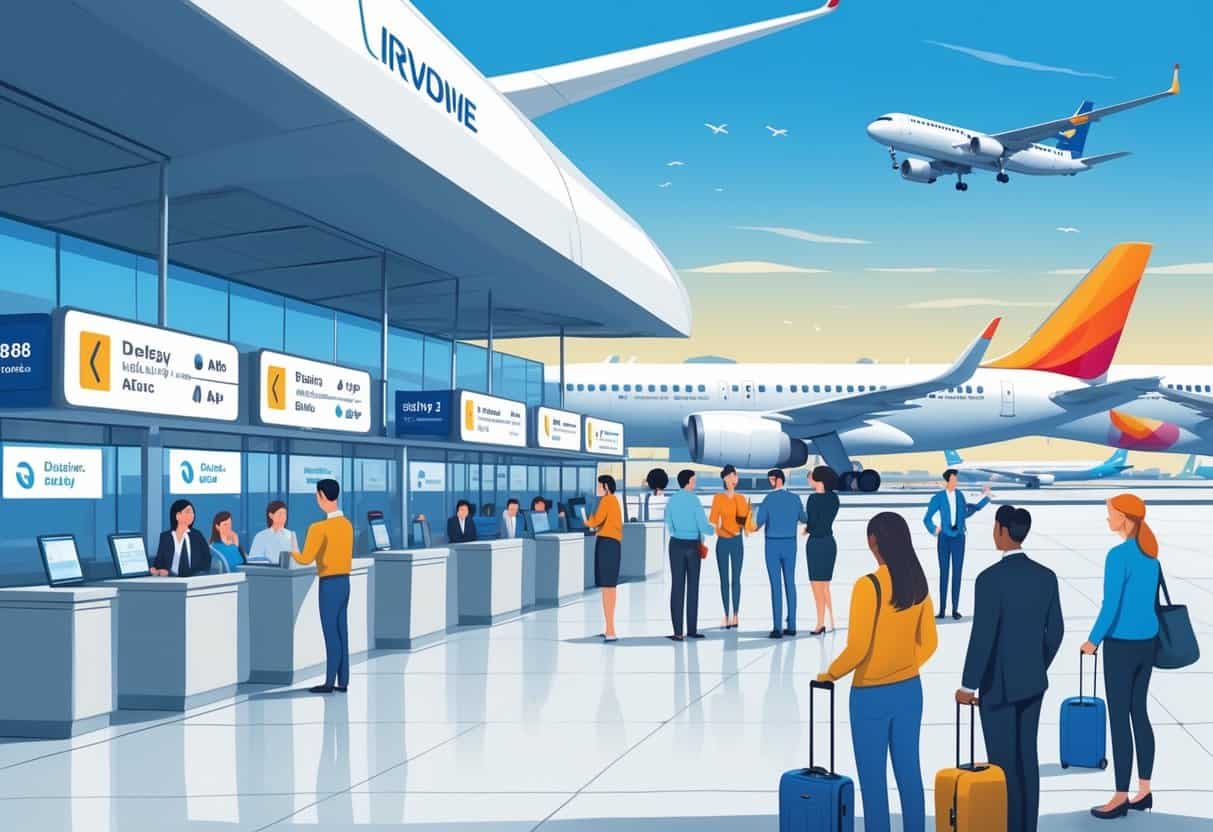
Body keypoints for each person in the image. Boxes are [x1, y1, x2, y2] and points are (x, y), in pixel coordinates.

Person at [818, 512, 937, 832]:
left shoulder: (868, 586)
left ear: (873, 541)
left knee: (873, 782)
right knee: (910, 774)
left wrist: (829, 674)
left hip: (869, 696)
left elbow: (858, 649)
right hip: (910, 691)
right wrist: (904, 664)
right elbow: (930, 643)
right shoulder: (918, 583)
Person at [955, 505, 1063, 832]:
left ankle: (1009, 826)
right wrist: (1036, 664)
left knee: (1002, 763)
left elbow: (983, 636)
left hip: (997, 687)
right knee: (1027, 759)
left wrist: (968, 685)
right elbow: (1055, 631)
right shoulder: (1046, 576)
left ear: (1002, 531)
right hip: (1033, 682)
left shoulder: (990, 579)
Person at [1083, 494, 1161, 820]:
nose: (1107, 519)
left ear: (1125, 518)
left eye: (1110, 513)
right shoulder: (1152, 557)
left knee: (1119, 719)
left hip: (1121, 645)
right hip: (1149, 642)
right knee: (1139, 713)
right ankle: (1144, 791)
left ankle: (1119, 797)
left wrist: (1092, 640)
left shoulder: (1118, 556)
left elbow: (1110, 605)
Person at [292, 479, 355, 694]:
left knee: (330, 634)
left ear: (320, 496)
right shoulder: (347, 525)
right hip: (345, 582)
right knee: (342, 631)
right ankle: (343, 681)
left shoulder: (319, 528)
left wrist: (291, 549)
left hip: (329, 584)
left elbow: (305, 558)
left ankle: (329, 682)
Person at [923, 469, 991, 620]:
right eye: (954, 479)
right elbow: (927, 518)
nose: (956, 482)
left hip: (959, 538)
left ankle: (955, 609)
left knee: (957, 574)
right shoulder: (938, 497)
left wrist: (987, 497)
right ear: (948, 481)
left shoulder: (960, 496)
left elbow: (968, 511)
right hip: (944, 539)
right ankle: (942, 610)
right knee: (944, 574)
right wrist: (935, 530)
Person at [753, 468, 806, 639]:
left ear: (778, 480)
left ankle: (777, 628)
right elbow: (804, 518)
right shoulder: (795, 499)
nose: (770, 482)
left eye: (771, 479)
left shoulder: (768, 500)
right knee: (790, 583)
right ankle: (792, 626)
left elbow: (757, 524)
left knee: (776, 586)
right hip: (790, 543)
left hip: (772, 545)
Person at [664, 469, 714, 641]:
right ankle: (692, 630)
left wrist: (678, 531)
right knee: (693, 587)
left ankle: (678, 632)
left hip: (676, 545)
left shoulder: (672, 500)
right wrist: (714, 529)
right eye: (694, 480)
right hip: (692, 547)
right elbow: (703, 525)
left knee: (677, 587)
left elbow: (668, 522)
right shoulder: (694, 501)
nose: (695, 483)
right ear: (688, 481)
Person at [708, 464, 750, 629]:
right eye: (732, 475)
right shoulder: (718, 498)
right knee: (724, 579)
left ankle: (736, 614)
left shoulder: (741, 498)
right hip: (723, 542)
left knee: (736, 579)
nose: (735, 478)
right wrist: (726, 530)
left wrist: (746, 524)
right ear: (725, 478)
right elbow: (713, 522)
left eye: (736, 476)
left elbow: (745, 521)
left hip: (737, 542)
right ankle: (726, 613)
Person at [585, 475, 624, 642]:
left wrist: (586, 521)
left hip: (606, 545)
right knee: (610, 587)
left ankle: (610, 630)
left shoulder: (607, 501)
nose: (597, 488)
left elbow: (596, 520)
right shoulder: (614, 501)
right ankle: (609, 627)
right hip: (613, 545)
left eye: (599, 485)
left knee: (607, 588)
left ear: (606, 486)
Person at [805, 465, 841, 635]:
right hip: (829, 542)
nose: (809, 479)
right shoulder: (834, 499)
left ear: (819, 480)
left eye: (811, 476)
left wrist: (806, 529)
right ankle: (832, 621)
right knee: (826, 586)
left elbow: (812, 523)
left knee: (816, 587)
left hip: (815, 544)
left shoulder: (812, 499)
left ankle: (820, 624)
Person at [151, 499, 211, 577]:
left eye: (193, 512)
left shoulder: (197, 535)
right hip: (170, 579)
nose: (192, 515)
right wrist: (156, 569)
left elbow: (206, 559)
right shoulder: (165, 537)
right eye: (188, 512)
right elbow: (159, 561)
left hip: (193, 579)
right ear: (177, 515)